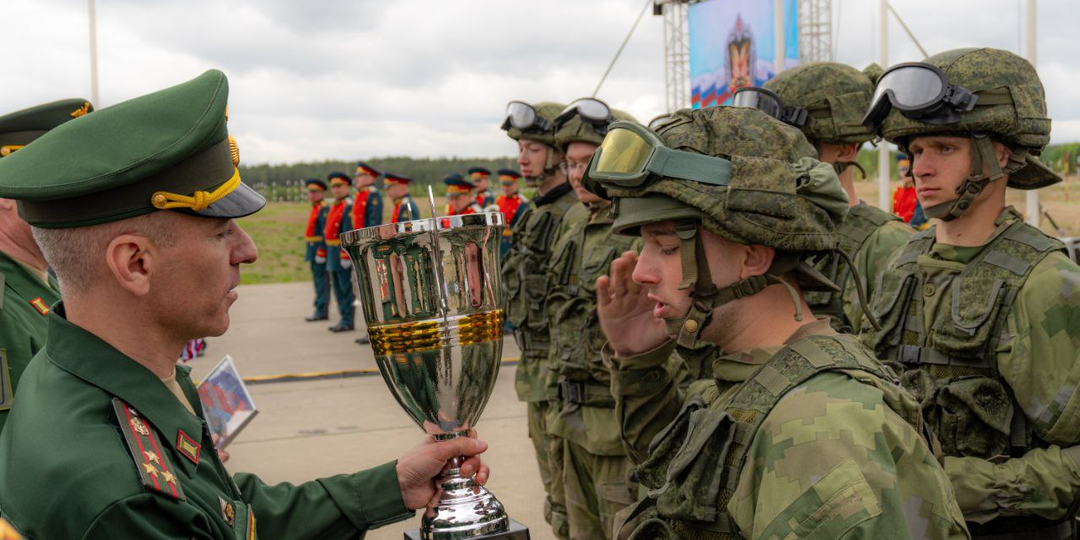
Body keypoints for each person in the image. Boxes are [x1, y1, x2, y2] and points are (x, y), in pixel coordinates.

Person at [0, 69, 490, 539]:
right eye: (220, 233)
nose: (248, 250)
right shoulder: (123, 498)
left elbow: (228, 515)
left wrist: (391, 486)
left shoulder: (85, 373)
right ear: (136, 265)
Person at [591, 106, 968, 540]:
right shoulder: (757, 375)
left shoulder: (821, 428)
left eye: (668, 247)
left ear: (753, 255)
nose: (641, 272)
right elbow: (687, 480)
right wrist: (638, 359)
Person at [859, 47, 1080, 538]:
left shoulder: (1043, 283)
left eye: (945, 148)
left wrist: (970, 485)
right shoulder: (900, 263)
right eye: (915, 151)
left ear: (1000, 154)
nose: (922, 168)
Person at [734, 62, 913, 334]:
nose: (772, 157)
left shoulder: (886, 245)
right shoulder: (761, 233)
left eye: (792, 143)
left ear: (844, 149)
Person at [544, 98, 641, 540]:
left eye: (589, 161)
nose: (578, 174)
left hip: (618, 429)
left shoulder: (637, 230)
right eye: (571, 163)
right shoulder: (573, 224)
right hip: (571, 418)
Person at [500, 100, 578, 538]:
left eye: (531, 148)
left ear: (555, 153)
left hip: (561, 371)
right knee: (556, 492)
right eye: (520, 149)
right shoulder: (536, 211)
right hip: (537, 370)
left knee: (571, 496)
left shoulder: (574, 214)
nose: (522, 158)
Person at [0, 98, 92, 435]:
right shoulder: (3, 314)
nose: (74, 202)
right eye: (53, 186)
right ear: (6, 196)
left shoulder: (42, 279)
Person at [324, 172, 355, 333]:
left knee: (345, 288)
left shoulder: (348, 205)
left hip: (340, 251)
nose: (335, 190)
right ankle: (343, 317)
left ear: (347, 187)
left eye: (339, 186)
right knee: (337, 287)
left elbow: (347, 230)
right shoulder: (335, 205)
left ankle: (347, 320)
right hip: (332, 251)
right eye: (333, 187)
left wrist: (345, 254)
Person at [302, 178, 331, 322]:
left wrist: (321, 251)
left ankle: (321, 310)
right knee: (318, 280)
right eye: (310, 192)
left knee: (321, 281)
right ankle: (319, 308)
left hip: (319, 250)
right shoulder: (316, 207)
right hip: (312, 250)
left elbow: (326, 231)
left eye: (314, 192)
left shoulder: (324, 208)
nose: (311, 195)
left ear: (322, 192)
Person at [495, 168, 529, 259]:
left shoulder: (522, 203)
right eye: (503, 185)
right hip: (498, 245)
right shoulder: (499, 200)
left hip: (512, 246)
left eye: (509, 185)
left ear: (516, 184)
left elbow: (524, 229)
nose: (505, 188)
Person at [352, 161, 384, 229]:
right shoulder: (360, 194)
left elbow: (374, 224)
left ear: (370, 177)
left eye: (359, 176)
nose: (356, 179)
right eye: (356, 176)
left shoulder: (373, 195)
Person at [893, 152, 918, 223]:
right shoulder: (897, 191)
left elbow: (919, 218)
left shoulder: (920, 190)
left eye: (907, 169)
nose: (905, 173)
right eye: (902, 170)